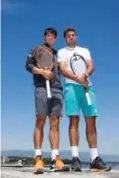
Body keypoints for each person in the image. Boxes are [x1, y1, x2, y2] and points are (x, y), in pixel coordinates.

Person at [57, 27, 111, 172]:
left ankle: (94, 159)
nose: (71, 37)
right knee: (73, 120)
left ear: (76, 37)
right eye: (68, 36)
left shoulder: (84, 50)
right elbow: (62, 69)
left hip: (87, 87)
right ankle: (75, 158)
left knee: (91, 121)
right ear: (65, 38)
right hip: (70, 88)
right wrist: (76, 78)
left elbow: (90, 66)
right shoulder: (61, 52)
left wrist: (85, 75)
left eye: (73, 35)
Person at [25, 28, 68, 174]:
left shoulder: (57, 54)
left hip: (57, 89)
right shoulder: (37, 49)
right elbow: (28, 66)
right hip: (42, 87)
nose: (51, 38)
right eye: (48, 36)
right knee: (40, 120)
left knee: (55, 122)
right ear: (45, 37)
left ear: (55, 39)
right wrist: (42, 72)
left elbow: (62, 70)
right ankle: (38, 157)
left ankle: (55, 158)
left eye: (53, 37)